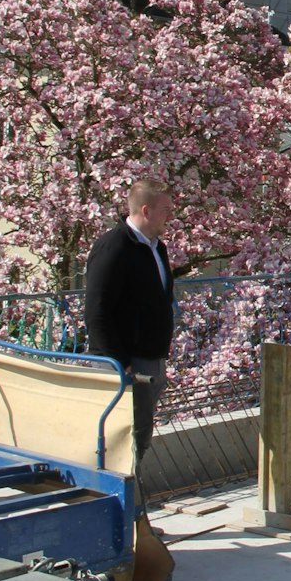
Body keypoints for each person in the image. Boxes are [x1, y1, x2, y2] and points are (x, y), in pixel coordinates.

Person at [83, 179, 177, 458]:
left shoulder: (157, 247)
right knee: (122, 441)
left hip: (150, 359)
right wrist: (118, 362)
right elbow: (96, 310)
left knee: (140, 435)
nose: (170, 216)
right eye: (165, 209)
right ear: (146, 211)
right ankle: (121, 499)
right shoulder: (115, 246)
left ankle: (133, 496)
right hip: (125, 363)